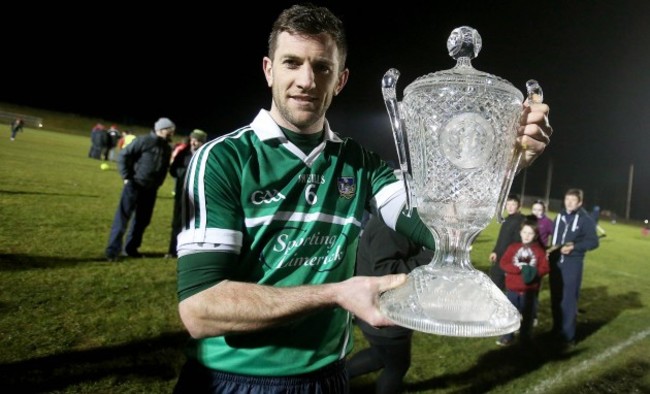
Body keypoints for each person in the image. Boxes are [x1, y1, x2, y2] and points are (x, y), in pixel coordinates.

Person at [173, 4, 552, 393]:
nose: (306, 80)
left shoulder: (360, 164)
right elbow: (201, 309)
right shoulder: (222, 159)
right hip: (231, 381)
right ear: (269, 69)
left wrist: (499, 163)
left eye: (322, 67)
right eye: (292, 63)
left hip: (328, 379)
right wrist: (335, 294)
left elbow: (434, 226)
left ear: (340, 79)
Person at [347, 212, 434, 393]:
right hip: (385, 316)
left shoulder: (396, 220)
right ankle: (338, 378)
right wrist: (434, 256)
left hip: (379, 312)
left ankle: (337, 378)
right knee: (397, 366)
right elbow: (387, 272)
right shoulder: (391, 225)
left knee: (380, 356)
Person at [104, 117, 175, 261]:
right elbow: (124, 155)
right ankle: (112, 250)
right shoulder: (144, 141)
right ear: (161, 130)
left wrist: (158, 183)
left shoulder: (166, 147)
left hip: (151, 189)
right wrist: (126, 176)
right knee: (122, 218)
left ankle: (130, 249)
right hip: (134, 185)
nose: (172, 133)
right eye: (170, 130)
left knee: (142, 220)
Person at [548, 188, 599, 348]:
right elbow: (554, 237)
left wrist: (574, 247)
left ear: (580, 202)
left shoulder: (585, 219)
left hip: (572, 264)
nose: (569, 203)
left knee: (568, 300)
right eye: (567, 199)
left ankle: (568, 335)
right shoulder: (559, 216)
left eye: (573, 200)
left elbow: (594, 242)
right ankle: (557, 329)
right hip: (555, 262)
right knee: (556, 297)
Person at [496, 216, 549, 346]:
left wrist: (533, 273)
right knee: (511, 314)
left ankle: (525, 336)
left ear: (535, 235)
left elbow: (545, 267)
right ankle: (508, 336)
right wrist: (518, 269)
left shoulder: (539, 251)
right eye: (524, 232)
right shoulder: (513, 247)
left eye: (530, 233)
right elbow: (503, 263)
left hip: (529, 290)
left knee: (528, 315)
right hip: (513, 288)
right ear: (520, 233)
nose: (526, 236)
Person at [165, 129, 207, 259]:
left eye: (198, 141)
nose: (194, 143)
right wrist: (184, 174)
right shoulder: (183, 153)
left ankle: (191, 251)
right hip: (182, 193)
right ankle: (172, 250)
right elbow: (173, 170)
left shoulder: (206, 154)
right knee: (177, 222)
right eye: (193, 140)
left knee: (196, 223)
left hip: (199, 195)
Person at [489, 194, 525, 291]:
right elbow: (502, 239)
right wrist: (495, 251)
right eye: (508, 204)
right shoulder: (507, 219)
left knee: (505, 290)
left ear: (519, 206)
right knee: (495, 287)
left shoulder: (520, 220)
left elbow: (517, 242)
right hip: (499, 259)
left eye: (513, 204)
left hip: (509, 260)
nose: (510, 207)